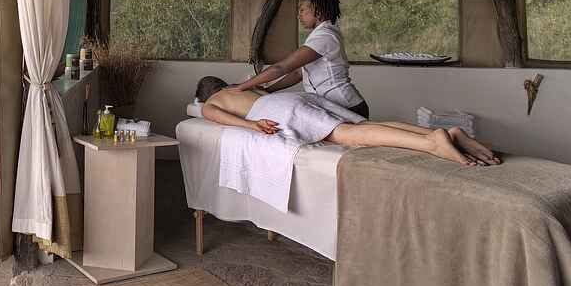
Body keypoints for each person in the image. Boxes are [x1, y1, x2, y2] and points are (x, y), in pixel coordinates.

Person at [195, 76, 499, 166]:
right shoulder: (240, 88)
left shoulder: (212, 101)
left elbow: (216, 116)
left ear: (205, 94)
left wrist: (253, 125)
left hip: (276, 109)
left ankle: (431, 143)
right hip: (300, 98)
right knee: (362, 126)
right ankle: (442, 132)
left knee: (347, 136)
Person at [225, 0, 369, 118]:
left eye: (302, 10)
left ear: (318, 12)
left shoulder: (325, 36)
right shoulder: (320, 35)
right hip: (336, 106)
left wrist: (242, 86)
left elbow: (281, 68)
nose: (298, 15)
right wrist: (268, 90)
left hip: (348, 106)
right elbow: (298, 73)